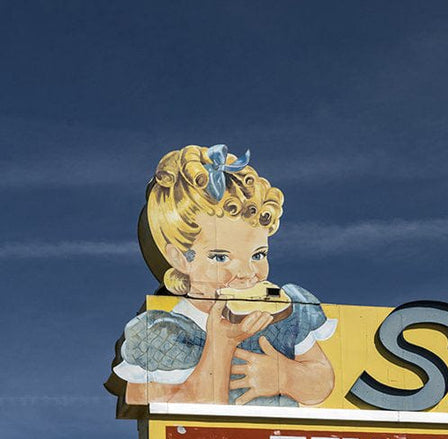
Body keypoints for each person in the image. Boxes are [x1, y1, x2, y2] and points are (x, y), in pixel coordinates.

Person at [111, 144, 336, 407]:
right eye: (220, 257)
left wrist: (284, 376)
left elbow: (323, 381)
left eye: (258, 255)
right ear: (179, 258)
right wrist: (220, 344)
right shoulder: (162, 334)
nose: (247, 272)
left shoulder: (287, 310)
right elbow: (169, 417)